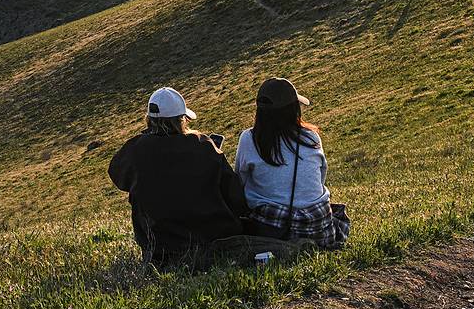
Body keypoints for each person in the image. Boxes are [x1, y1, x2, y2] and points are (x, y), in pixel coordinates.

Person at [108, 87, 246, 266]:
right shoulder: (204, 145)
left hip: (160, 246)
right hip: (212, 239)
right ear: (182, 119)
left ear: (149, 120)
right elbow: (235, 195)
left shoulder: (135, 149)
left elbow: (118, 175)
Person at [235, 77, 350, 249]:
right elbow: (320, 179)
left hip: (272, 227)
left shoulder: (249, 139)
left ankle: (288, 245)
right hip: (317, 224)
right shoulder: (311, 137)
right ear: (293, 110)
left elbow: (239, 184)